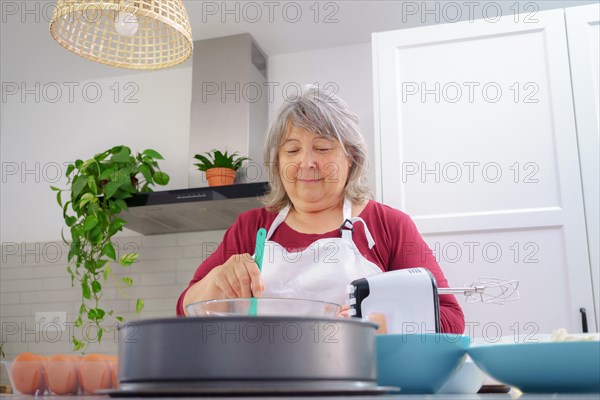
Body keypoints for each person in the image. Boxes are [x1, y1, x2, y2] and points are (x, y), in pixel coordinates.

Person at [176, 86, 465, 334]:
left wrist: (375, 321)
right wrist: (217, 280)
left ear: (350, 156)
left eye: (323, 148)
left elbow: (450, 319)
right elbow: (185, 310)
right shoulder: (251, 227)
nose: (307, 162)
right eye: (291, 150)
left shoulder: (389, 225)